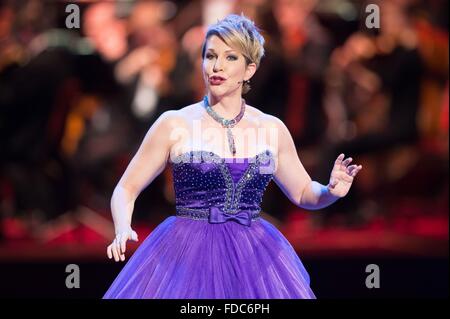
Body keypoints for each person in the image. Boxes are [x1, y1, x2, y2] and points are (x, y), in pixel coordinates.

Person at [103, 14, 362, 299]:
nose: (217, 66)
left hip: (252, 256)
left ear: (249, 69)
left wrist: (330, 191)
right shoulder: (173, 124)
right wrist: (122, 227)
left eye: (230, 58)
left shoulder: (270, 128)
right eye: (210, 56)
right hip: (187, 251)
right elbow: (126, 188)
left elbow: (302, 193)